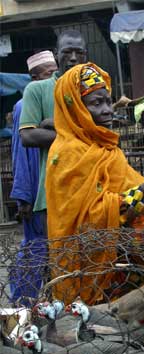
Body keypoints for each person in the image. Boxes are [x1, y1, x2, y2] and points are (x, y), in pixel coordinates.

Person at [45, 63, 144, 331]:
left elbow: (128, 188)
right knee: (101, 345)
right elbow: (88, 217)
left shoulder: (106, 147)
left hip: (130, 266)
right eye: (95, 103)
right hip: (96, 275)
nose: (107, 110)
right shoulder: (67, 154)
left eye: (108, 101)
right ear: (74, 107)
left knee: (143, 349)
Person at [19, 30, 87, 233]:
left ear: (86, 54)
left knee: (97, 259)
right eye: (67, 52)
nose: (73, 58)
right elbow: (28, 136)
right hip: (54, 192)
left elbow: (105, 135)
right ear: (56, 53)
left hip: (93, 190)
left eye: (79, 52)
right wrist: (81, 135)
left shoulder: (93, 89)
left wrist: (52, 126)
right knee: (61, 258)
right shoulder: (37, 90)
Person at [9, 51, 58, 304]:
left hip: (52, 187)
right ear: (36, 77)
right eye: (49, 73)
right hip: (35, 190)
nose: (54, 76)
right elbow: (21, 152)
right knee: (35, 251)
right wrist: (24, 195)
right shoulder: (23, 105)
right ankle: (21, 308)